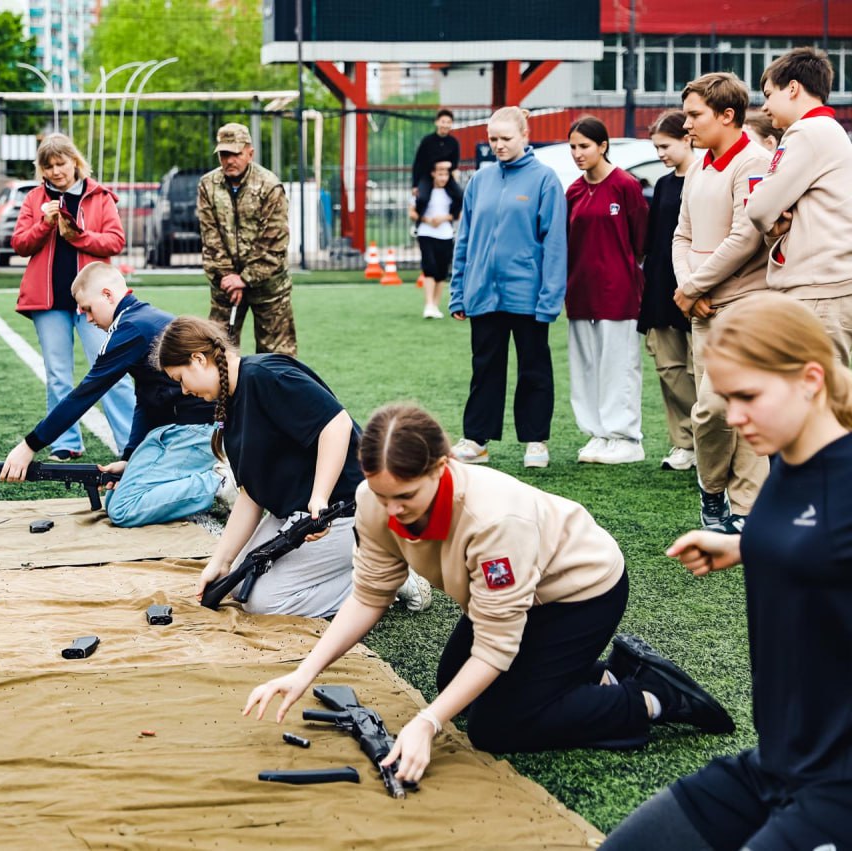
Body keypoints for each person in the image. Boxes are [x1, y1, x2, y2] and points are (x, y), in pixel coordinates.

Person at [243, 402, 734, 784]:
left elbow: (496, 648)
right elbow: (370, 595)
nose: (393, 510)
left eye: (407, 497)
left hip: (579, 592)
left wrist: (427, 723)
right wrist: (304, 672)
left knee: (497, 726)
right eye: (383, 495)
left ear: (441, 467)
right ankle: (602, 676)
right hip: (513, 596)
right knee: (454, 684)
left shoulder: (494, 520)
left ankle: (651, 697)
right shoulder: (374, 500)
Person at [602, 293, 852, 851]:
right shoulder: (788, 461)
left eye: (748, 397)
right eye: (727, 396)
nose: (734, 417)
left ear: (810, 380)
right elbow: (815, 539)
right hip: (776, 764)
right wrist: (745, 546)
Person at [153, 316, 429, 617]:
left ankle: (388, 574)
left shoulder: (265, 375)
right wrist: (221, 562)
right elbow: (251, 494)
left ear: (198, 359)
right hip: (299, 516)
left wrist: (320, 498)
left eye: (180, 379)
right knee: (237, 582)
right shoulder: (229, 402)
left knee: (264, 603)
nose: (183, 390)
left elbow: (336, 424)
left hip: (350, 509)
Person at [0, 263, 226, 527]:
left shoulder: (131, 328)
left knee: (122, 509)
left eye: (87, 309)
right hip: (188, 427)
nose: (88, 319)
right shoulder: (139, 318)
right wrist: (129, 457)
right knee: (114, 495)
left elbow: (84, 394)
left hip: (200, 431)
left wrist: (30, 445)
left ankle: (221, 483)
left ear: (107, 295)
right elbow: (146, 399)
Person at [673, 72, 771, 534]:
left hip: (746, 306)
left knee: (723, 406)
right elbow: (681, 235)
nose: (686, 124)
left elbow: (745, 237)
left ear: (727, 115)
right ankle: (715, 493)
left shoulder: (755, 163)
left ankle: (746, 509)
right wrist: (690, 287)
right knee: (712, 410)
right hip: (703, 308)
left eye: (695, 115)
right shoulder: (697, 167)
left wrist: (693, 287)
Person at [449, 107, 567, 469]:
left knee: (534, 369)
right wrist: (458, 291)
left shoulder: (545, 180)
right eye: (493, 139)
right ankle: (477, 440)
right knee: (485, 367)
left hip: (528, 297)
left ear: (525, 137)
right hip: (483, 295)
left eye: (505, 138)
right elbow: (465, 239)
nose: (498, 145)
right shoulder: (479, 181)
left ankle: (536, 441)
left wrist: (550, 298)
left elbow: (555, 244)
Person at [12, 133, 136, 460]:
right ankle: (66, 443)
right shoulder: (34, 199)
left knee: (111, 369)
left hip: (95, 302)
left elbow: (115, 241)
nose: (55, 171)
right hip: (49, 301)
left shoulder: (100, 196)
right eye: (48, 166)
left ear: (75, 162)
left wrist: (79, 236)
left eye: (61, 163)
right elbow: (20, 244)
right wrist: (44, 224)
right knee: (57, 375)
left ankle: (132, 444)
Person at [747, 47, 852, 366]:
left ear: (792, 88)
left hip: (818, 288)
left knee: (815, 389)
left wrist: (770, 221)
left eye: (769, 94)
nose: (764, 106)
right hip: (826, 285)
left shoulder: (806, 131)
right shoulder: (827, 130)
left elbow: (758, 207)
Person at [565, 116, 649, 465]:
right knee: (585, 366)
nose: (577, 153)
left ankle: (625, 438)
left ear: (603, 146)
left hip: (619, 292)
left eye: (584, 146)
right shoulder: (573, 191)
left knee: (619, 365)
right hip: (580, 291)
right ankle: (597, 433)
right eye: (573, 147)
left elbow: (641, 240)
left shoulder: (625, 185)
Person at [197, 123, 297, 356]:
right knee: (217, 353)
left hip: (269, 286)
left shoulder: (269, 186)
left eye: (236, 154)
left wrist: (244, 279)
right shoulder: (208, 185)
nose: (229, 160)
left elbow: (274, 241)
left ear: (250, 153)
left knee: (277, 357)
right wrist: (228, 277)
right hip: (225, 285)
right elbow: (210, 237)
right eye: (224, 154)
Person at [640, 111, 697, 472]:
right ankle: (684, 443)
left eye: (665, 146)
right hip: (661, 288)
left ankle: (708, 440)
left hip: (696, 288)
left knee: (698, 370)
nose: (660, 153)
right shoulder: (662, 184)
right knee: (668, 368)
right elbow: (653, 243)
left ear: (687, 139)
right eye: (656, 147)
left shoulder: (705, 177)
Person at [410, 160, 463, 319]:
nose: (443, 177)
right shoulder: (422, 192)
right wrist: (427, 220)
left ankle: (435, 305)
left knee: (441, 271)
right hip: (426, 233)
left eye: (446, 174)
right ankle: (428, 304)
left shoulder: (452, 193)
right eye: (440, 174)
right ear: (433, 173)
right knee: (429, 268)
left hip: (446, 234)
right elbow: (412, 212)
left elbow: (459, 214)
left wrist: (444, 218)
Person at [410, 109, 461, 191]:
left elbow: (455, 163)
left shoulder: (454, 142)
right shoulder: (427, 140)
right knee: (422, 197)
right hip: (427, 175)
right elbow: (418, 163)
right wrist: (415, 185)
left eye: (448, 122)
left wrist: (449, 165)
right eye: (443, 122)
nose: (445, 125)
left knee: (459, 195)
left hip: (447, 177)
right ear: (437, 122)